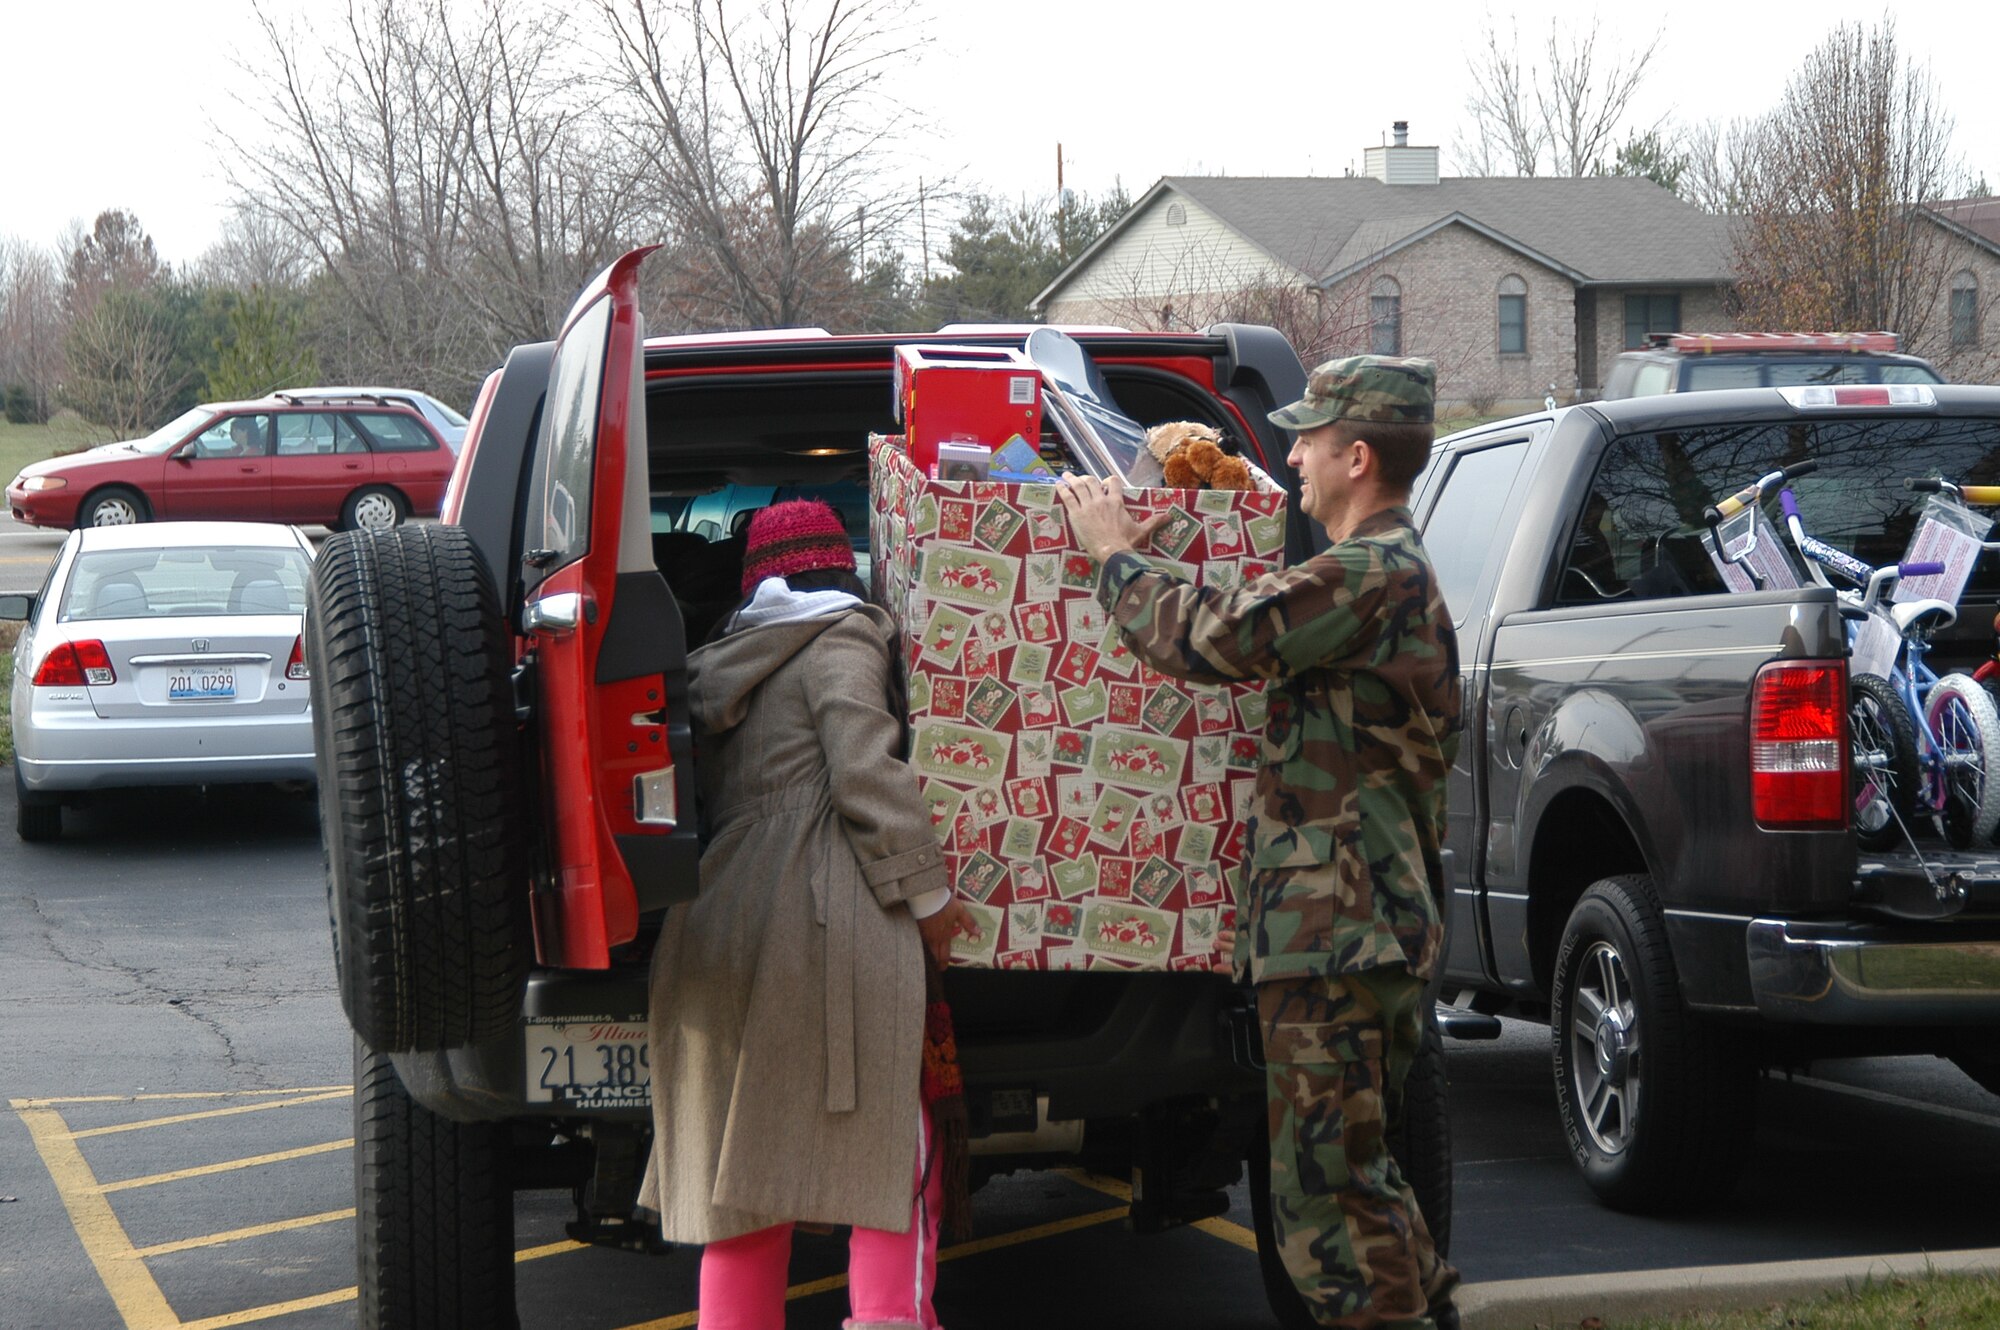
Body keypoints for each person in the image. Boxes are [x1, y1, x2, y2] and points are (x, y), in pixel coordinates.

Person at [1055, 355, 1462, 1330]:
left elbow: (1225, 637)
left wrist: (1112, 553)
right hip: (1354, 925)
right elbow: (1258, 625)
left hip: (1341, 926)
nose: (1289, 455)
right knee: (1361, 1183)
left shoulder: (1372, 572)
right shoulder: (1373, 575)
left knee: (1331, 1207)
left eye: (1308, 440)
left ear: (1354, 456)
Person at [638, 498, 975, 1330]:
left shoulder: (718, 664)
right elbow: (864, 772)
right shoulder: (841, 638)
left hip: (721, 922)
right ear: (838, 568)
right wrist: (928, 897)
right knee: (890, 1170)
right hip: (828, 924)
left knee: (746, 1188)